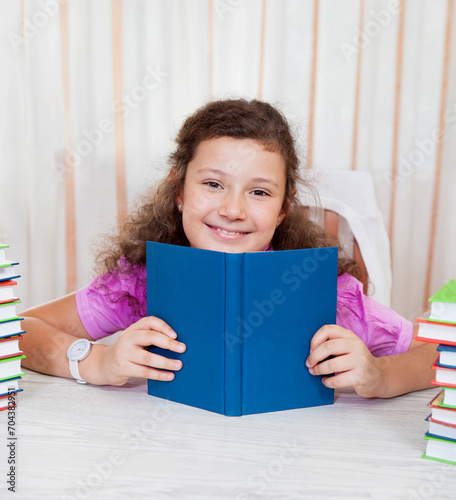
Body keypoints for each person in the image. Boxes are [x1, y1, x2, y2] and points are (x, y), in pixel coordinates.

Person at [20, 99, 437, 398]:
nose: (233, 210)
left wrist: (381, 375)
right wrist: (94, 362)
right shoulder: (139, 281)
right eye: (213, 184)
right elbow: (15, 331)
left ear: (282, 210)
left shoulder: (331, 294)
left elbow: (441, 352)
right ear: (179, 191)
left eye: (258, 191)